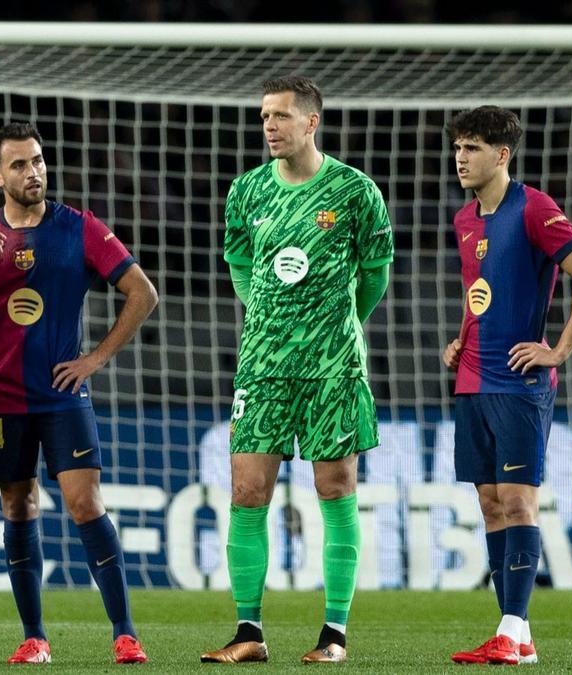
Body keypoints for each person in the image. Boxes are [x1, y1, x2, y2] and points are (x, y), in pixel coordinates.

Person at [200, 75, 393, 665]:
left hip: (333, 367)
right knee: (246, 489)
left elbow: (376, 274)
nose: (269, 126)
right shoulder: (247, 192)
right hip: (263, 367)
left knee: (335, 488)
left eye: (281, 116)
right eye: (264, 116)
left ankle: (333, 634)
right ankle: (248, 633)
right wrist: (266, 317)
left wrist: (338, 328)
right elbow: (238, 265)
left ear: (311, 122)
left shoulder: (356, 191)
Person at [0, 122, 158, 665]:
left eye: (38, 161)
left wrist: (96, 357)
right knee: (18, 506)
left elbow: (142, 292)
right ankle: (35, 637)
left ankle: (125, 633)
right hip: (0, 395)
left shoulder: (80, 227)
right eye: (19, 164)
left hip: (64, 395)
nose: (33, 172)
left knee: (85, 502)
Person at [443, 106, 572, 666]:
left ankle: (512, 632)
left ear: (502, 154)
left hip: (518, 381)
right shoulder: (465, 218)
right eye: (458, 147)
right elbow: (479, 291)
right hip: (472, 379)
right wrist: (461, 336)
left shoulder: (534, 208)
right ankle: (516, 633)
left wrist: (558, 350)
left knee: (517, 500)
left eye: (472, 148)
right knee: (489, 504)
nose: (461, 158)